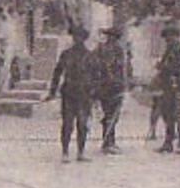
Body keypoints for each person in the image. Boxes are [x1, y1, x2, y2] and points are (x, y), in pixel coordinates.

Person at [47, 22, 95, 162]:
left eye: (79, 36)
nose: (77, 39)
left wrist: (95, 92)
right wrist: (52, 91)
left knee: (83, 124)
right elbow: (57, 72)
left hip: (84, 93)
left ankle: (81, 152)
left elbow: (96, 75)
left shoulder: (89, 56)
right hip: (69, 92)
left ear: (84, 38)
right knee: (67, 123)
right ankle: (65, 152)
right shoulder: (66, 55)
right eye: (75, 36)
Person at [155, 26, 180, 154]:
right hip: (168, 87)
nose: (168, 40)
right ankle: (169, 141)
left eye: (170, 37)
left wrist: (167, 68)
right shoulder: (168, 51)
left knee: (179, 114)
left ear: (176, 37)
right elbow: (165, 66)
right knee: (167, 114)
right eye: (166, 38)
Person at [94, 24, 129, 154]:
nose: (110, 39)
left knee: (108, 114)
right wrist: (122, 84)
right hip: (113, 86)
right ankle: (108, 142)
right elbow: (119, 69)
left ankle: (108, 141)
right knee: (112, 114)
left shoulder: (101, 48)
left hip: (103, 85)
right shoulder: (117, 50)